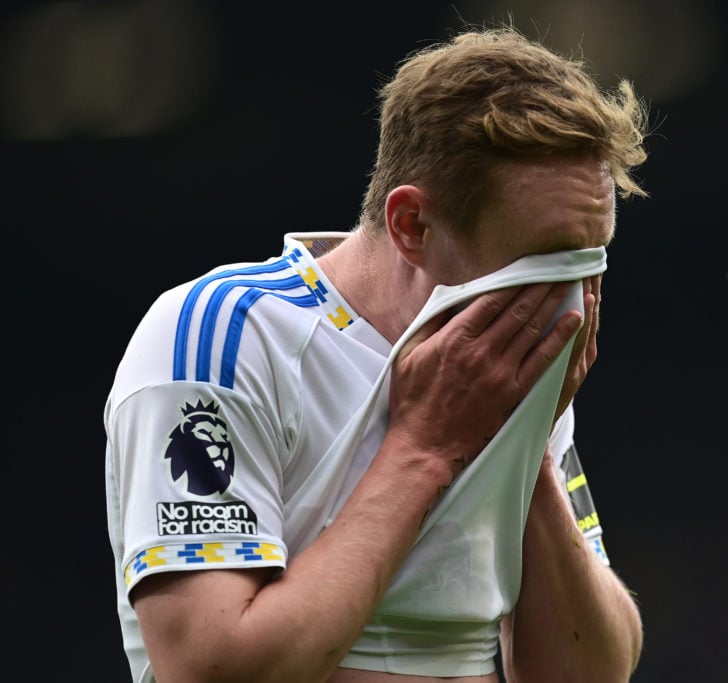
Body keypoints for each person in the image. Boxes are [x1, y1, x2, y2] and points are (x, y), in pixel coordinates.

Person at [104, 23, 650, 683]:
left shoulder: (503, 353)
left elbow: (590, 673)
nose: (577, 302)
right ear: (411, 225)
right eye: (547, 262)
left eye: (593, 261)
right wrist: (424, 448)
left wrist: (521, 439)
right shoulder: (220, 337)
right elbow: (212, 669)